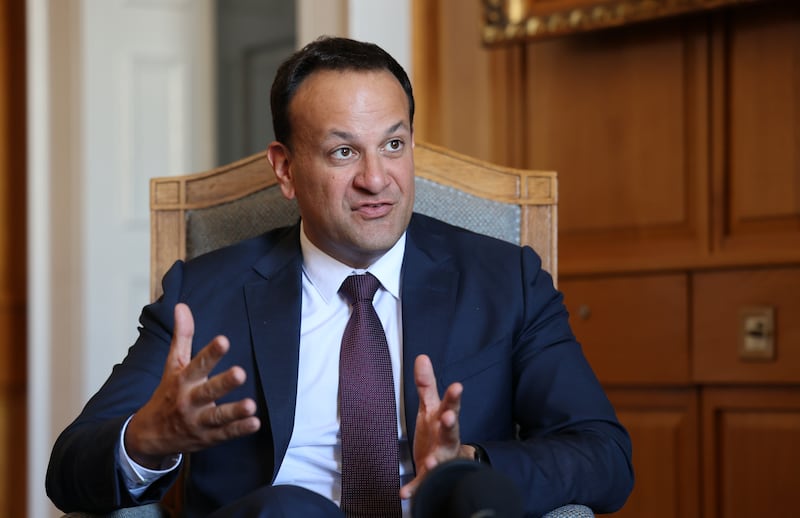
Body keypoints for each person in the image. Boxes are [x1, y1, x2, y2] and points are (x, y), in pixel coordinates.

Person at [46, 36, 633, 517]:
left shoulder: (505, 279)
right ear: (285, 168)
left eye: (394, 145)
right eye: (343, 153)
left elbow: (605, 457)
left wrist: (470, 461)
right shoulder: (204, 294)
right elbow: (68, 469)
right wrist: (146, 439)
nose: (377, 179)